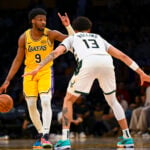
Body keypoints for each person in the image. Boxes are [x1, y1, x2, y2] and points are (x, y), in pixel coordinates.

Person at [23, 16, 150, 149]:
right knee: (113, 101)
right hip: (106, 62)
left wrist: (38, 67)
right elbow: (122, 56)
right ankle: (127, 138)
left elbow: (56, 52)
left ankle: (65, 140)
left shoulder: (72, 38)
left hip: (87, 63)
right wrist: (142, 73)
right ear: (89, 29)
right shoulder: (98, 38)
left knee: (68, 100)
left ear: (75, 29)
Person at [0, 8, 74, 149]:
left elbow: (72, 40)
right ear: (33, 21)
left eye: (44, 19)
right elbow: (17, 60)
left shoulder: (51, 34)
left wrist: (67, 26)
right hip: (29, 73)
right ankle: (41, 135)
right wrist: (7, 79)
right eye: (40, 19)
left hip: (45, 71)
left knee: (46, 101)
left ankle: (46, 135)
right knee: (32, 105)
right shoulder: (24, 38)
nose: (43, 22)